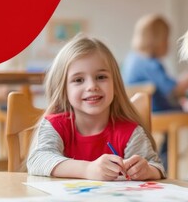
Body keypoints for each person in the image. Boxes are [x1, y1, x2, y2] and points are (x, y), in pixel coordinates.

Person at [27, 34, 165, 181]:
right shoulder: (56, 126)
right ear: (64, 89)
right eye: (78, 80)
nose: (92, 86)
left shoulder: (130, 133)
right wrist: (87, 169)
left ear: (116, 85)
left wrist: (147, 170)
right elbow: (38, 160)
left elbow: (156, 166)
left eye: (101, 77)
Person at [122, 14, 188, 112]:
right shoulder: (150, 64)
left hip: (138, 112)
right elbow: (173, 91)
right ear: (158, 40)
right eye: (166, 38)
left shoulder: (132, 58)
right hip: (156, 113)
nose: (169, 43)